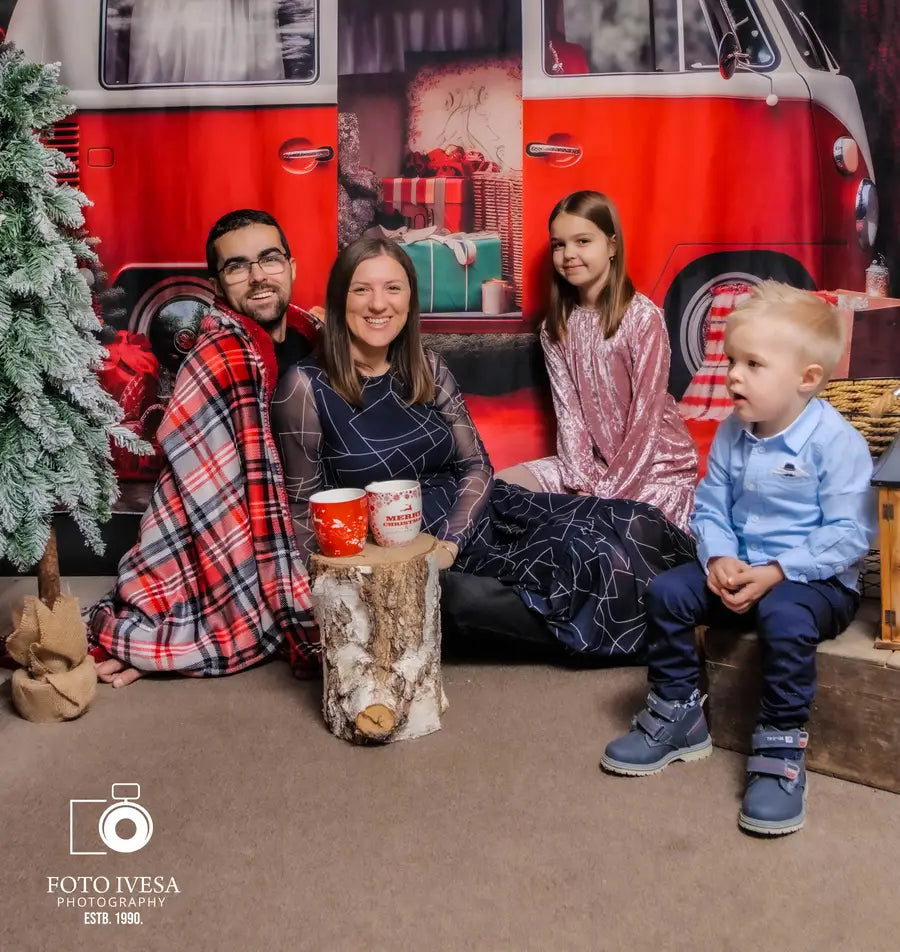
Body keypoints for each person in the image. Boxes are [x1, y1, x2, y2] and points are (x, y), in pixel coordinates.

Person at [272, 236, 696, 661]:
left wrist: (453, 540)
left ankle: (708, 607)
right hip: (407, 552)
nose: (379, 304)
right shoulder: (305, 386)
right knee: (596, 558)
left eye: (393, 288)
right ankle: (659, 640)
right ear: (339, 298)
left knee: (635, 520)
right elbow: (302, 507)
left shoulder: (427, 366)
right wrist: (326, 604)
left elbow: (475, 465)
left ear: (410, 300)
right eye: (362, 289)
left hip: (476, 514)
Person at [600, 283, 876, 835]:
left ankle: (780, 747)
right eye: (731, 360)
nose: (733, 376)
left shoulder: (835, 442)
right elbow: (710, 507)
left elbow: (852, 534)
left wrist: (778, 572)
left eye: (753, 364)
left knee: (783, 615)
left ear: (807, 380)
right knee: (667, 593)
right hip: (741, 571)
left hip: (815, 582)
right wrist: (721, 556)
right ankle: (679, 714)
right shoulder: (732, 432)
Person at [88, 209, 322, 686]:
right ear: (217, 286)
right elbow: (196, 492)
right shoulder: (222, 355)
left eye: (270, 259)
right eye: (237, 266)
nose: (258, 276)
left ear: (292, 268)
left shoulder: (313, 337)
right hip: (254, 532)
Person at [499, 191, 697, 531]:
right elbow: (570, 415)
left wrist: (604, 497)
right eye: (559, 244)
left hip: (655, 469)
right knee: (500, 488)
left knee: (595, 533)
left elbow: (644, 421)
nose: (569, 254)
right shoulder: (555, 328)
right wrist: (580, 484)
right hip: (592, 467)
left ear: (612, 246)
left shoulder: (642, 318)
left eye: (583, 241)